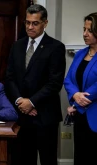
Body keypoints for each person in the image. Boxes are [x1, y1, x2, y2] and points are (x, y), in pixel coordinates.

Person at [5, 4, 66, 165]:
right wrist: (20, 101)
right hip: (20, 116)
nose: (30, 27)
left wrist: (31, 102)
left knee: (48, 160)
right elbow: (9, 78)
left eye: (35, 23)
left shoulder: (56, 47)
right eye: (27, 22)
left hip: (45, 116)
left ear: (45, 23)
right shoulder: (17, 45)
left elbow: (55, 83)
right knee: (22, 159)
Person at [64, 12, 97, 165]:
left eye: (89, 30)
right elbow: (68, 79)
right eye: (84, 29)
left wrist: (77, 102)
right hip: (80, 116)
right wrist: (75, 95)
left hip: (94, 115)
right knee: (81, 156)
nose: (84, 34)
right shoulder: (81, 54)